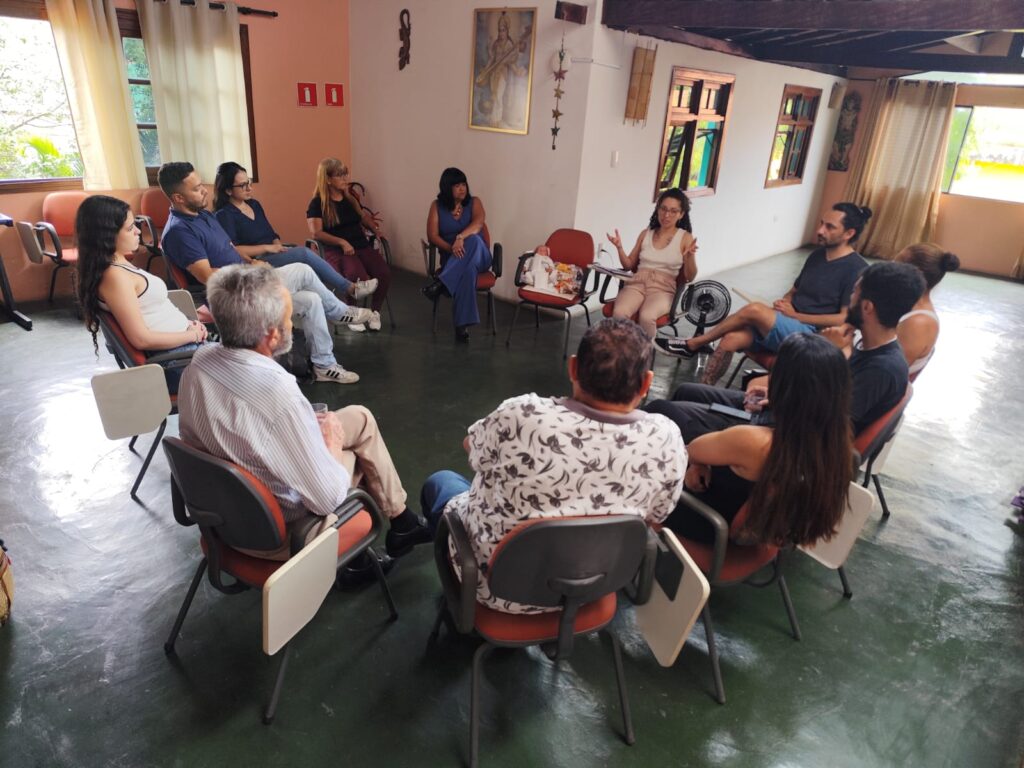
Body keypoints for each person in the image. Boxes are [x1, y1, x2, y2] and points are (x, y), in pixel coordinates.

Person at [177, 264, 431, 581]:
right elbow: (328, 498)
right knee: (360, 458)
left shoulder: (200, 361)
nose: (292, 323)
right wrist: (331, 444)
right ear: (272, 334)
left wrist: (303, 426)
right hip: (280, 532)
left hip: (221, 513)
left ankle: (403, 522)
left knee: (361, 418)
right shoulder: (278, 391)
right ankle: (358, 560)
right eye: (289, 318)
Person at [420, 318, 687, 614]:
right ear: (647, 383)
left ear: (573, 367)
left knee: (441, 482)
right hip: (592, 589)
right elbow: (656, 516)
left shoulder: (522, 414)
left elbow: (471, 447)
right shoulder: (667, 438)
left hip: (493, 589)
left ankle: (457, 600)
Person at [646, 261, 926, 441]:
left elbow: (826, 433)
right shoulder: (864, 345)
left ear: (867, 307)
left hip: (781, 437)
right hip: (779, 411)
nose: (849, 299)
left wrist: (825, 354)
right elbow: (824, 398)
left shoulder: (882, 369)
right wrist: (775, 397)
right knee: (686, 391)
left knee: (661, 409)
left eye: (854, 293)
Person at [158, 161, 369, 384]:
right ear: (178, 197)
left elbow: (230, 248)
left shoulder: (203, 215)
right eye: (196, 188)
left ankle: (324, 365)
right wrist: (251, 270)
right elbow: (208, 276)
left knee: (312, 301)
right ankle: (341, 312)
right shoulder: (180, 231)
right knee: (303, 270)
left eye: (202, 184)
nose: (204, 191)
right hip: (233, 296)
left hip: (246, 280)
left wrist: (252, 262)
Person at [666, 333, 853, 547]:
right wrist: (777, 402)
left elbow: (691, 450)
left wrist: (699, 462)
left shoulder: (755, 442)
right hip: (762, 532)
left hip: (710, 525)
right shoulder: (835, 441)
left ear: (784, 385)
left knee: (663, 412)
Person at [655, 202, 871, 385]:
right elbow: (794, 291)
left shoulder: (856, 269)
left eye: (830, 227)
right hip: (789, 323)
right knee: (731, 338)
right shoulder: (817, 256)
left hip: (813, 336)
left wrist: (796, 315)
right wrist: (784, 303)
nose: (821, 230)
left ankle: (695, 343)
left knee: (754, 310)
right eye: (822, 223)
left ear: (849, 233)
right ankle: (704, 391)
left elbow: (843, 318)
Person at [76, 194, 207, 394]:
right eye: (130, 228)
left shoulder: (118, 265)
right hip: (176, 361)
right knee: (252, 370)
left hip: (183, 351)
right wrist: (191, 336)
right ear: (106, 236)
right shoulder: (114, 277)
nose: (138, 231)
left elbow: (152, 312)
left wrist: (189, 327)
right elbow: (141, 339)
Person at [212, 161, 378, 304]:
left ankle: (335, 306)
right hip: (256, 261)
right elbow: (234, 250)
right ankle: (349, 288)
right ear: (228, 190)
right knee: (304, 254)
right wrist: (269, 248)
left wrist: (278, 246)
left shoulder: (254, 204)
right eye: (242, 185)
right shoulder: (224, 215)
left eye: (248, 182)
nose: (249, 188)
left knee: (306, 268)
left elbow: (271, 233)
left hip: (273, 253)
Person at [306, 158, 391, 332]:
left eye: (346, 174)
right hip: (336, 250)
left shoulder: (350, 199)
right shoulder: (317, 203)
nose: (346, 178)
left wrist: (376, 230)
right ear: (328, 179)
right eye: (340, 175)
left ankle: (374, 313)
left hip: (360, 246)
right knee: (356, 275)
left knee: (384, 273)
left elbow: (363, 217)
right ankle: (352, 313)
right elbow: (316, 233)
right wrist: (341, 242)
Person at [605, 187, 698, 339]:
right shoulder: (646, 233)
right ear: (658, 209)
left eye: (673, 211)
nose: (666, 215)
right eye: (663, 209)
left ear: (681, 214)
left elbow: (691, 276)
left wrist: (690, 256)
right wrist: (619, 247)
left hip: (663, 289)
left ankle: (644, 352)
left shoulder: (685, 237)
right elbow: (629, 265)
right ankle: (622, 351)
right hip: (637, 283)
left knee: (647, 316)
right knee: (620, 312)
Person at [423, 167, 493, 342]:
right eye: (457, 186)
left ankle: (441, 283)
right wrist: (451, 248)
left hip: (480, 256)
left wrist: (460, 238)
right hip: (452, 257)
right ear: (447, 188)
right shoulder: (436, 206)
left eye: (464, 184)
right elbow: (432, 236)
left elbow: (478, 223)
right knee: (467, 271)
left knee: (474, 239)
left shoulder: (475, 202)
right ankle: (462, 327)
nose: (462, 189)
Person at [894, 242, 959, 379]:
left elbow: (887, 373)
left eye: (896, 263)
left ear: (913, 273)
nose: (890, 265)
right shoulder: (900, 303)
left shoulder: (918, 323)